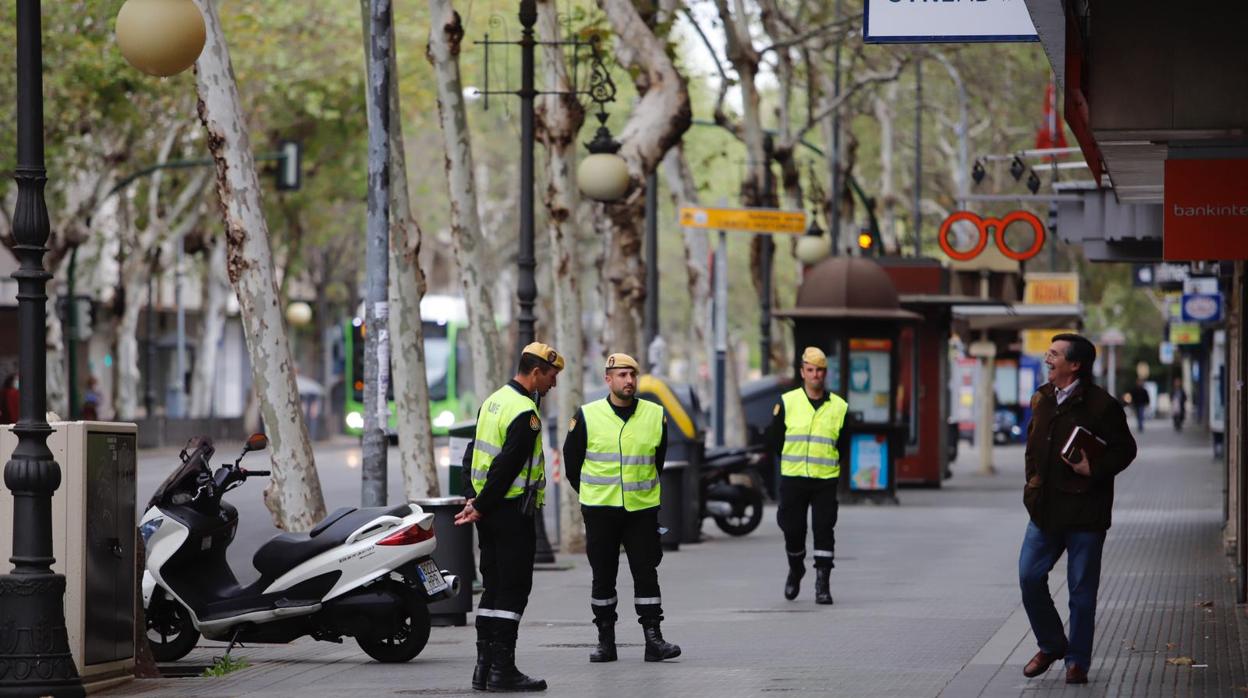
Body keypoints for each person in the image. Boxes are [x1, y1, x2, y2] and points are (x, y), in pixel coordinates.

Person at [1020, 334, 1137, 685]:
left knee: (1081, 593)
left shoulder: (1103, 405)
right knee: (1028, 577)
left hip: (1086, 513)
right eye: (1048, 352)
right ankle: (1052, 643)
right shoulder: (1041, 398)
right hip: (1045, 511)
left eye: (1054, 354)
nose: (1047, 358)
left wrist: (1093, 469)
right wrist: (1033, 487)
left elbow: (1125, 450)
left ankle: (1077, 662)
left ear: (1075, 365)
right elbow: (1031, 449)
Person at [454, 342, 563, 693]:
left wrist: (473, 499)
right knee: (514, 589)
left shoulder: (494, 401)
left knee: (494, 586)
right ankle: (503, 669)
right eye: (551, 376)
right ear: (535, 373)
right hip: (511, 511)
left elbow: (471, 455)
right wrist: (482, 504)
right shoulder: (525, 414)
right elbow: (505, 467)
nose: (553, 384)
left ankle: (483, 668)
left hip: (489, 511)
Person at [562, 353, 680, 664]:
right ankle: (605, 640)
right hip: (600, 511)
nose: (629, 380)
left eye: (632, 375)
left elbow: (658, 461)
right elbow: (572, 465)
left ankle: (654, 639)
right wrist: (591, 494)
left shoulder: (656, 415)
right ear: (608, 379)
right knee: (603, 577)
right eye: (622, 375)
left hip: (641, 511)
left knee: (646, 574)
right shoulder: (586, 416)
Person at [764, 347, 848, 605]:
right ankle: (796, 567)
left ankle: (822, 584)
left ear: (825, 373)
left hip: (825, 479)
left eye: (820, 370)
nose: (815, 375)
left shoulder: (839, 407)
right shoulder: (787, 402)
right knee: (793, 529)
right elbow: (776, 440)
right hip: (794, 477)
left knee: (824, 529)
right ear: (802, 372)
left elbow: (843, 445)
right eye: (810, 370)